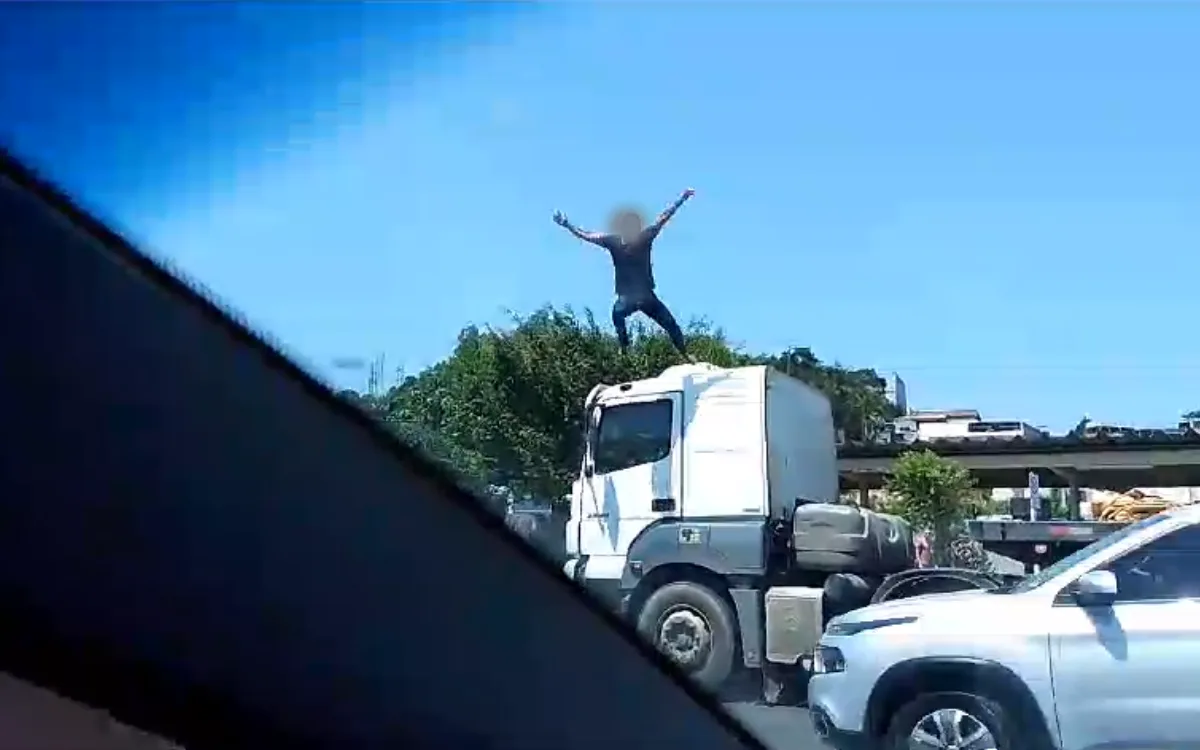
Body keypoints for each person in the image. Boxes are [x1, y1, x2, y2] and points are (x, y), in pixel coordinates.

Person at [553, 188, 695, 359]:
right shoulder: (613, 241)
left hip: (646, 296)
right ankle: (625, 350)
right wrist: (567, 225)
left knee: (671, 325)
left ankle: (686, 356)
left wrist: (681, 200)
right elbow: (587, 236)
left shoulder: (644, 237)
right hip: (628, 297)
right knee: (617, 314)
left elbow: (663, 218)